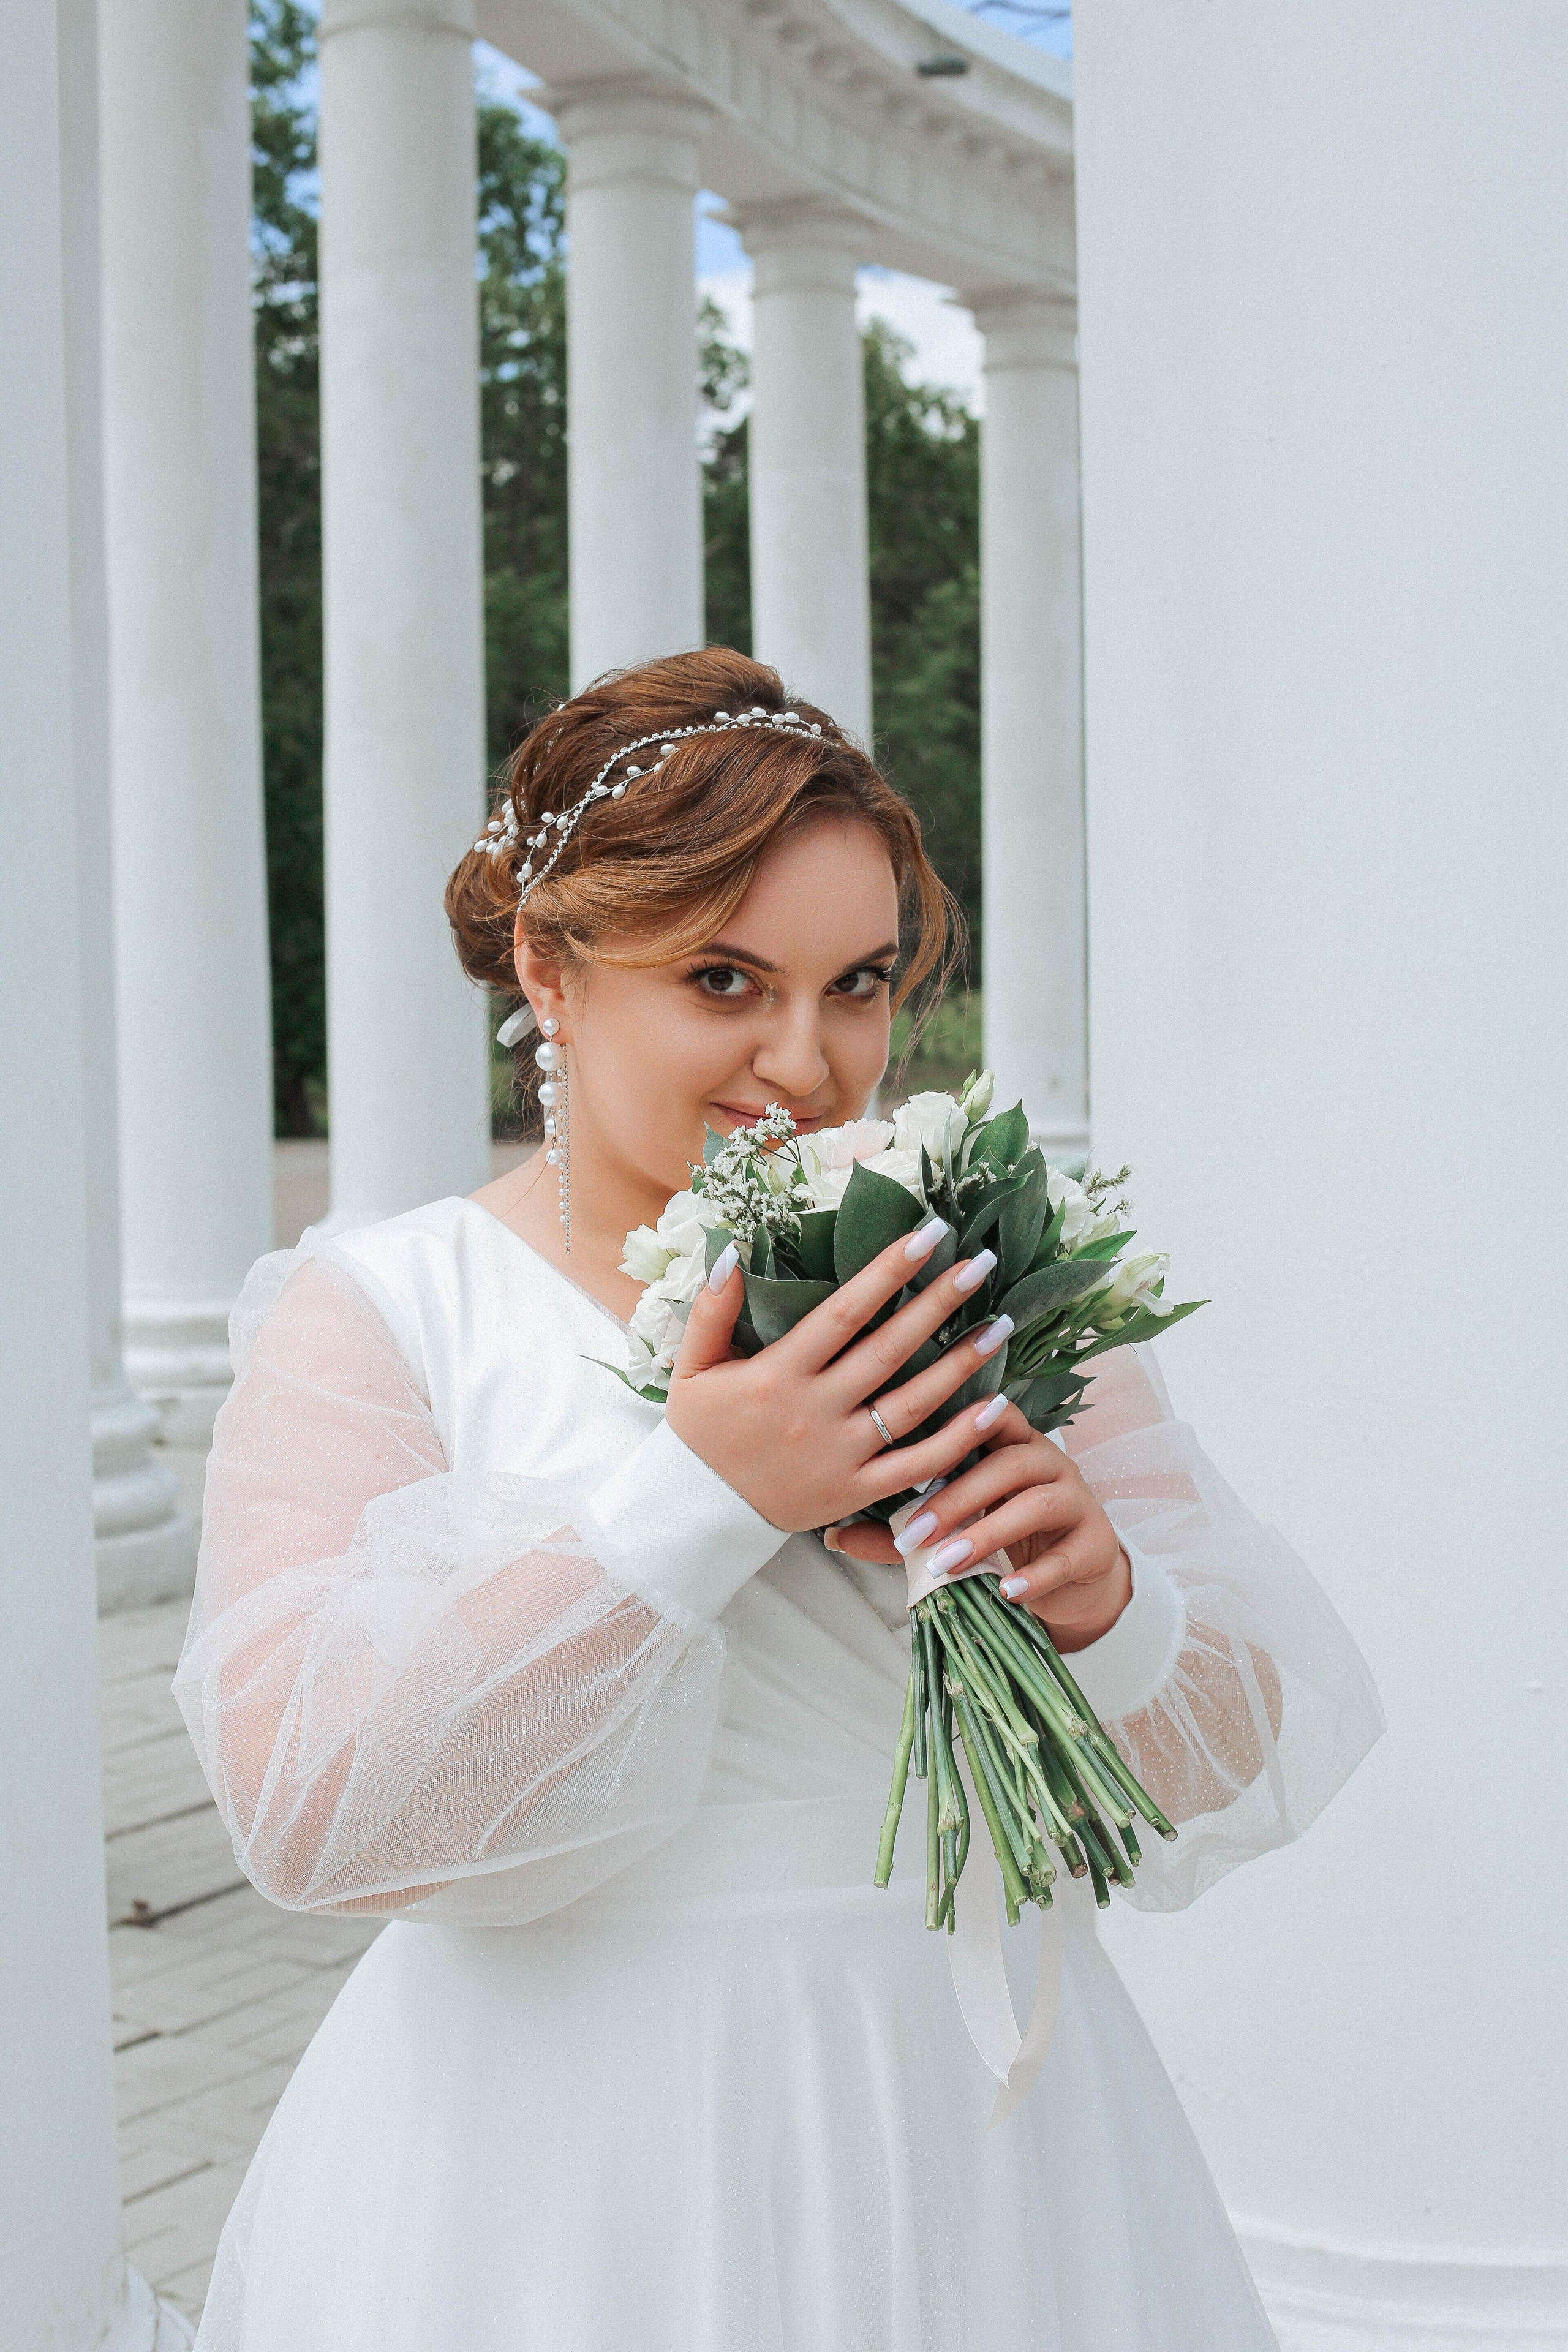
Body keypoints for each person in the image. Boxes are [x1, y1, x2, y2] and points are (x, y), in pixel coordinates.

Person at [176, 648, 1382, 2351]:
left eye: (859, 985)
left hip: (966, 2130)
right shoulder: (385, 1311)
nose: (808, 1063)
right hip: (559, 2164)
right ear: (551, 971)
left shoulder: (977, 1287)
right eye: (724, 980)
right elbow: (312, 1812)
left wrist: (1109, 1607)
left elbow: (1232, 1746)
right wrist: (700, 1498)